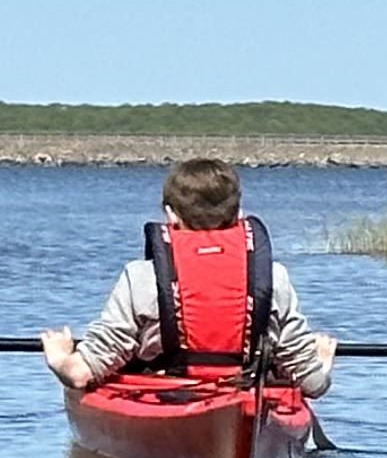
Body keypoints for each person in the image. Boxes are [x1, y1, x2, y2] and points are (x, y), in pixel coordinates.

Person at [42, 157, 338, 399]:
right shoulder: (274, 277)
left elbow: (80, 374)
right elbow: (313, 384)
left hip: (166, 396)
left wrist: (60, 358)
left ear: (170, 214)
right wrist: (322, 361)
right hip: (242, 393)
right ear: (238, 213)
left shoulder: (141, 277)